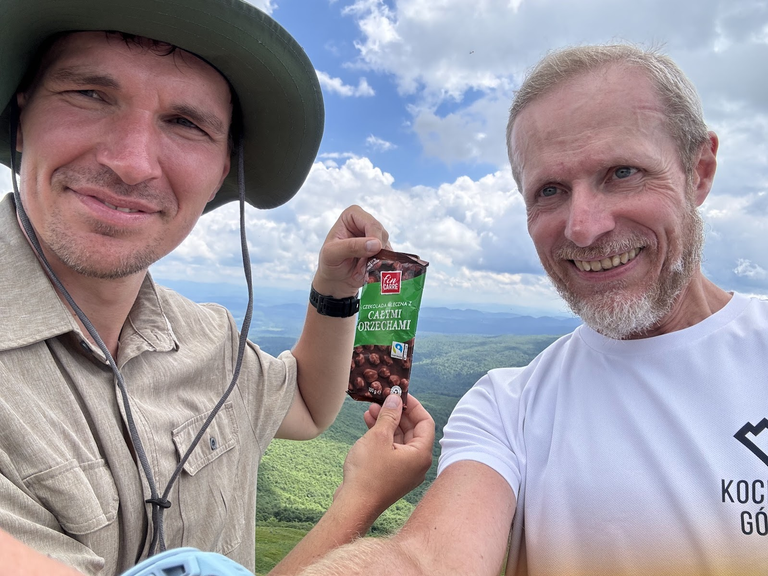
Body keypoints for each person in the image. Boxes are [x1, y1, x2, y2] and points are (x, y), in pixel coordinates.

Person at [295, 45, 768, 575]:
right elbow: (424, 560)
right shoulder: (506, 409)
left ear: (699, 172)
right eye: (549, 190)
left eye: (623, 172)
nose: (583, 227)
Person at [0, 0, 434, 574]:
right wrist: (358, 504)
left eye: (185, 123)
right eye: (89, 94)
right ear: (20, 120)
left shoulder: (208, 337)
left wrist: (334, 288)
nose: (130, 162)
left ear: (223, 169)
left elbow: (305, 403)